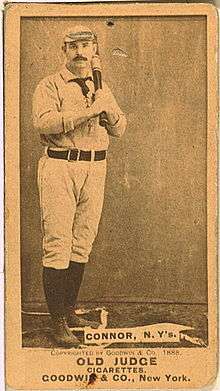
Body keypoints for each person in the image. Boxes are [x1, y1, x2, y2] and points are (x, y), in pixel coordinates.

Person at [32, 25, 127, 347]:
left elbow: (120, 129)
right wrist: (89, 111)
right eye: (73, 46)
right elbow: (43, 123)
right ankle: (57, 322)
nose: (80, 52)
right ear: (64, 51)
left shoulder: (101, 87)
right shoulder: (49, 85)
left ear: (95, 50)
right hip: (61, 166)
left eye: (86, 45)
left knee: (82, 242)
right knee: (58, 242)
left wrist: (107, 108)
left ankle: (69, 312)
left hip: (95, 166)